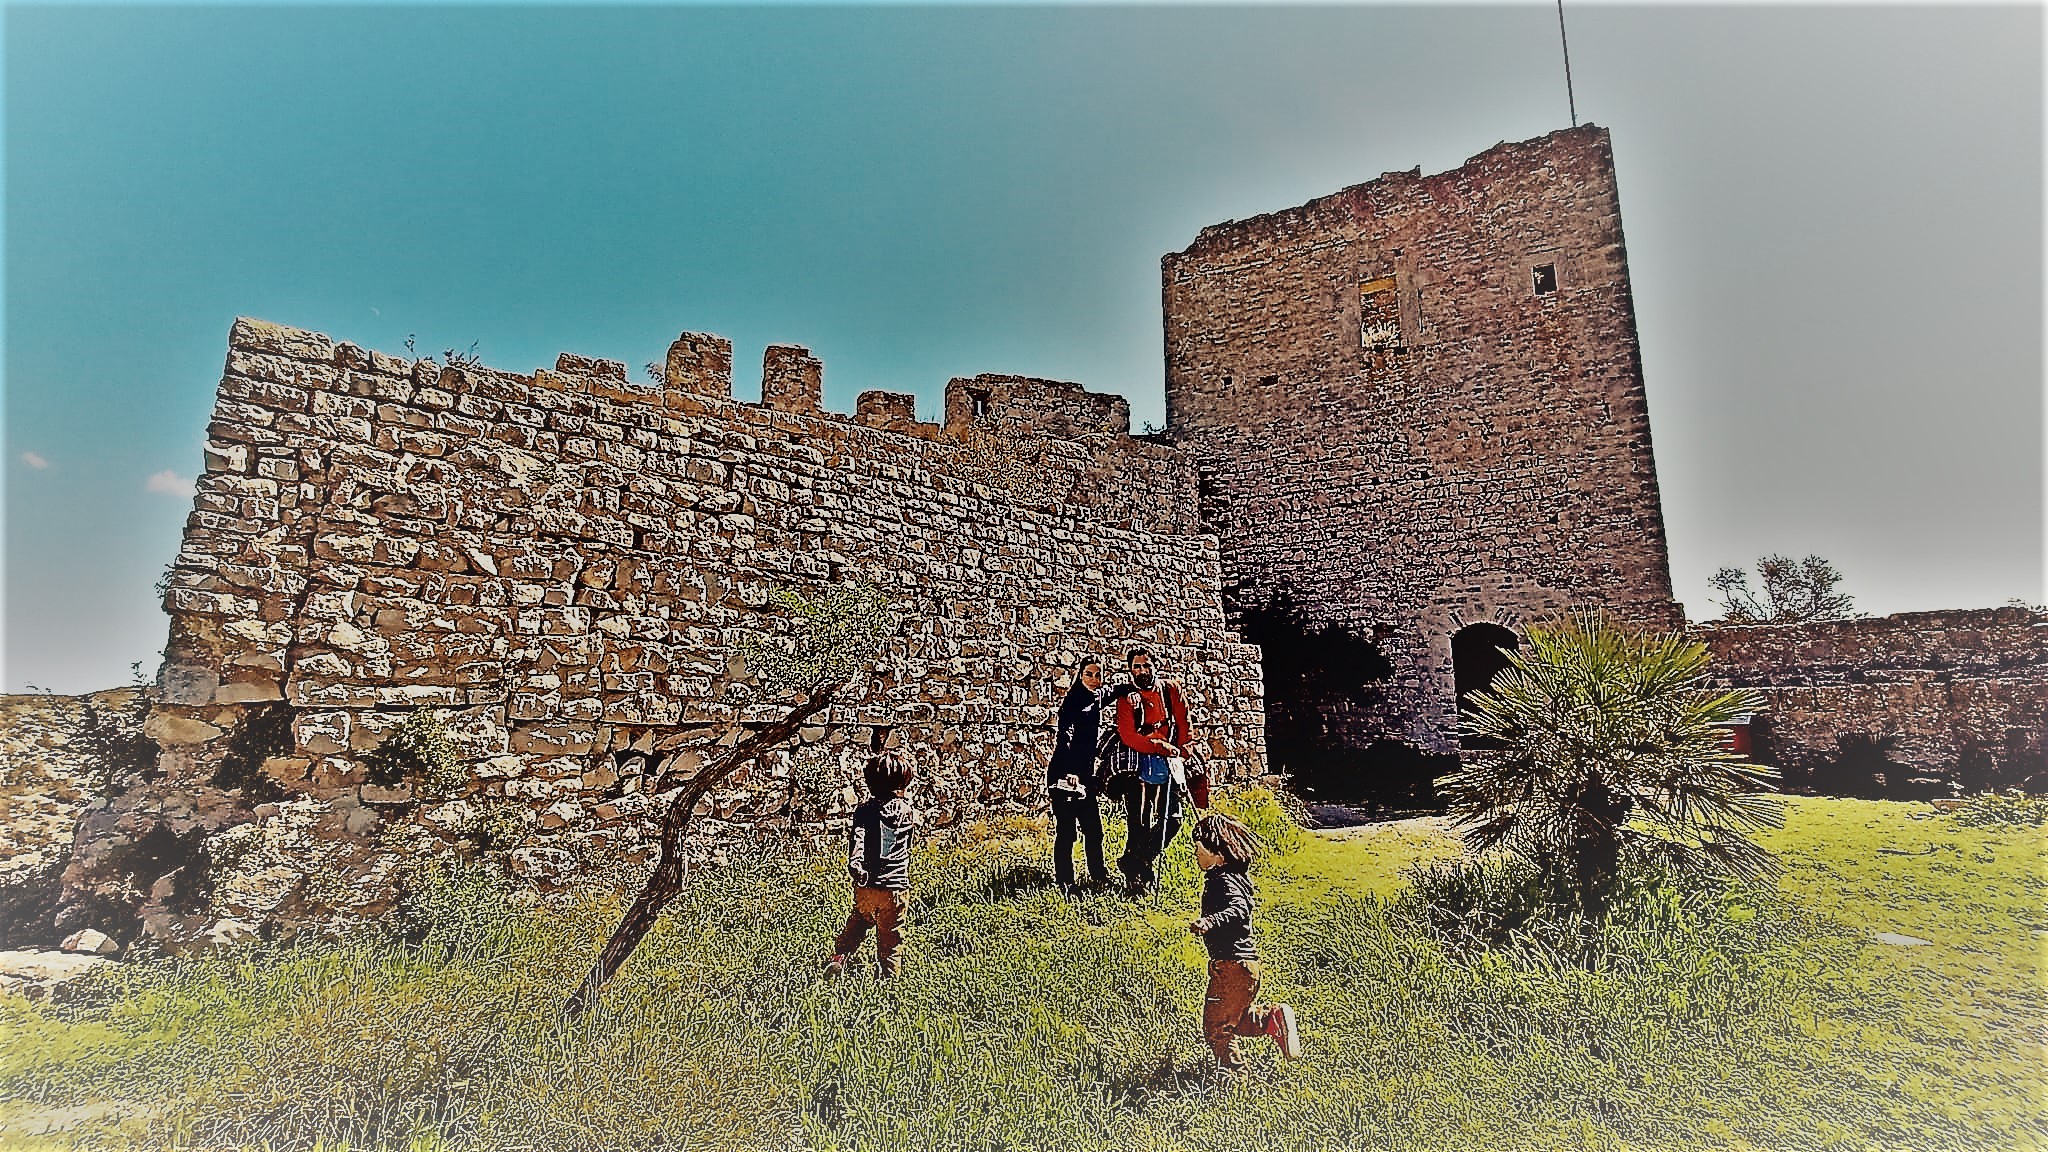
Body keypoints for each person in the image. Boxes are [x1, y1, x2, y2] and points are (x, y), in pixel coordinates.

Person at [1188, 813, 1301, 1073]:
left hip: (1231, 967)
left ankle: (1235, 1078)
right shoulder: (1235, 876)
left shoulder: (1224, 881)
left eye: (1199, 850)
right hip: (1243, 967)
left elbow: (1239, 909)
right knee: (1234, 1019)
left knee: (1216, 1028)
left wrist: (1210, 921)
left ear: (1218, 854)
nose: (1196, 855)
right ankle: (1271, 1019)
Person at [825, 749, 918, 978]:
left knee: (858, 922)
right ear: (903, 782)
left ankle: (839, 958)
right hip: (894, 889)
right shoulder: (907, 811)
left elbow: (859, 837)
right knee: (891, 939)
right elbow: (906, 845)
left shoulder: (865, 811)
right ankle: (889, 982)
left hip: (866, 886)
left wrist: (856, 863)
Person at [1110, 648, 1195, 896]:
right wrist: (1158, 746)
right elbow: (1128, 735)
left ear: (1155, 665)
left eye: (1146, 665)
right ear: (1130, 670)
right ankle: (1138, 882)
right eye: (1137, 667)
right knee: (1139, 823)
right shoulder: (1127, 698)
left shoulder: (1171, 690)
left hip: (1169, 761)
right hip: (1137, 764)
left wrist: (1182, 752)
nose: (1142, 671)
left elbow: (1184, 724)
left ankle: (1133, 861)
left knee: (1173, 819)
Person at [1046, 657, 1110, 896]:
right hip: (1065, 774)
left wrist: (1130, 689)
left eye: (1098, 675)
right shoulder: (1072, 702)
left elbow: (1112, 692)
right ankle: (1066, 883)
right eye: (1088, 674)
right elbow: (1066, 737)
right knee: (1067, 832)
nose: (1093, 679)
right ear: (1080, 675)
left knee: (1094, 830)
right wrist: (1069, 771)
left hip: (1084, 776)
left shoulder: (1096, 697)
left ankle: (1098, 876)